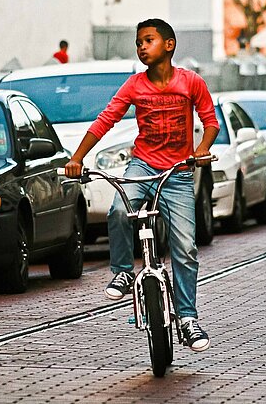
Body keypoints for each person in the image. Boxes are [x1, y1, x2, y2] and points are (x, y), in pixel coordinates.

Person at [65, 18, 219, 352]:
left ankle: (188, 319)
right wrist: (77, 158)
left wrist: (202, 148)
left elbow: (210, 121)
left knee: (185, 247)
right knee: (119, 210)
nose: (141, 47)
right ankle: (122, 272)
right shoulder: (134, 85)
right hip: (142, 165)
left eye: (148, 40)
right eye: (138, 42)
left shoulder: (191, 82)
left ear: (169, 45)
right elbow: (106, 120)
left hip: (177, 172)